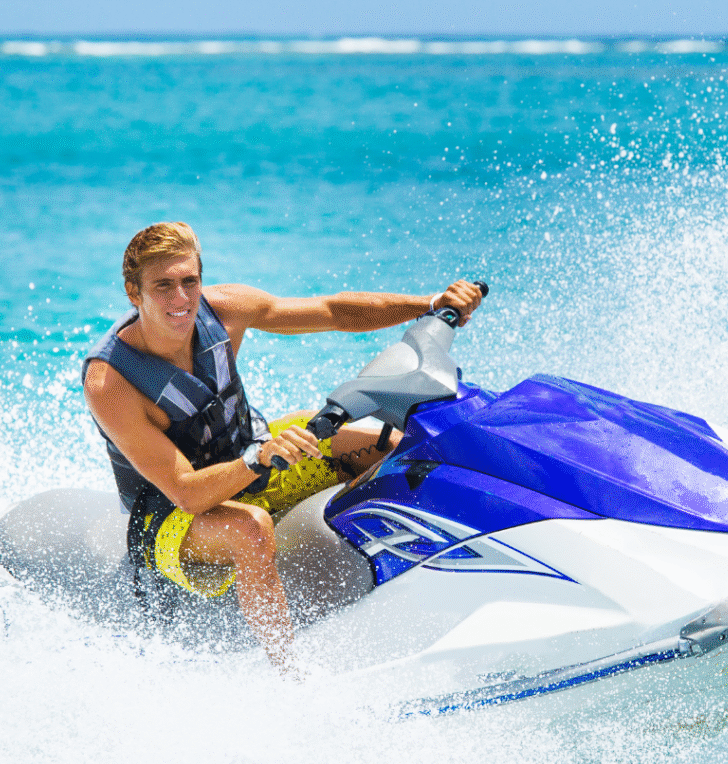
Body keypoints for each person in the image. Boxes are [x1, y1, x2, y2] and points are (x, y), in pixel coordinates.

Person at [83, 221, 482, 672]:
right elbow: (185, 491)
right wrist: (258, 459)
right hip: (171, 514)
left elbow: (333, 311)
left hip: (250, 452)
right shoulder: (110, 382)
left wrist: (429, 304)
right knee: (250, 528)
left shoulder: (225, 309)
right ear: (134, 293)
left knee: (402, 448)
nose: (181, 298)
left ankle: (448, 571)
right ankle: (288, 675)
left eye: (189, 281)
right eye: (163, 286)